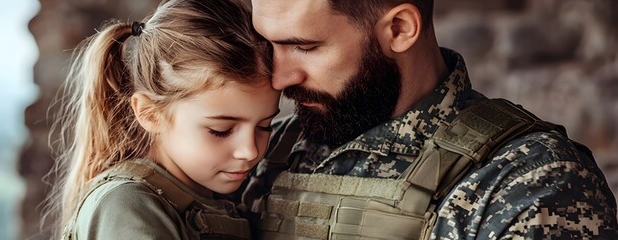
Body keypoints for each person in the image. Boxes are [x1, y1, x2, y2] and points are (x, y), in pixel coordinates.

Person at [239, 0, 618, 239]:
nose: (279, 77)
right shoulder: (260, 146)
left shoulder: (531, 180)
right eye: (268, 44)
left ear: (400, 29)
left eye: (304, 47)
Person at [51, 0, 278, 239]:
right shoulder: (127, 205)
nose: (250, 151)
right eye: (220, 130)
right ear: (150, 115)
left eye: (265, 126)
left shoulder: (213, 194)